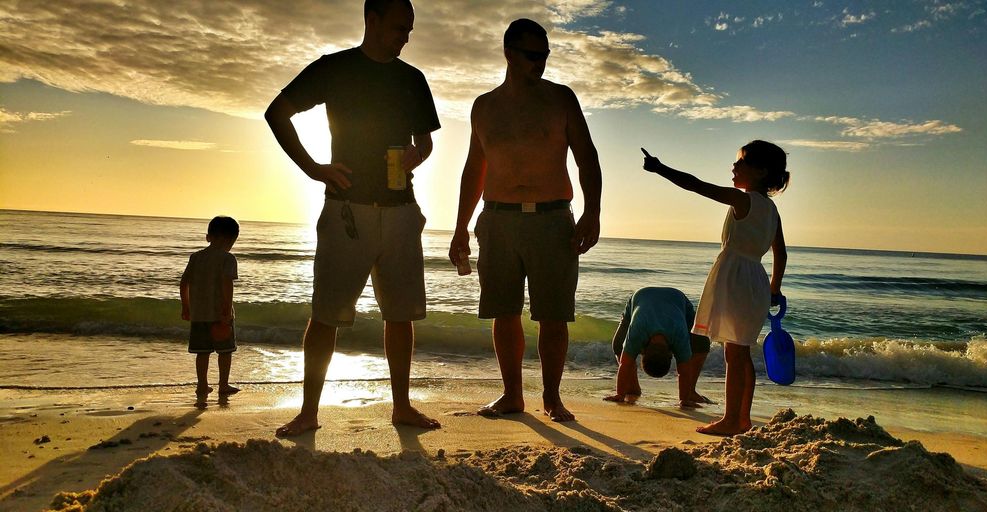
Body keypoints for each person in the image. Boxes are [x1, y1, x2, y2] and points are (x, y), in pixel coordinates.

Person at [264, 0, 441, 436]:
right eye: (400, 28)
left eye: (410, 30)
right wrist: (313, 168)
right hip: (347, 210)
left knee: (400, 315)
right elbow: (276, 113)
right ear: (372, 19)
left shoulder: (412, 79)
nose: (405, 37)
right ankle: (309, 413)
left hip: (401, 210)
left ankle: (402, 407)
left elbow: (426, 144)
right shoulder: (335, 68)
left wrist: (417, 156)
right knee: (326, 314)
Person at [448, 18, 602, 422]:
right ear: (509, 53)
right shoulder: (484, 106)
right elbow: (473, 170)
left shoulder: (561, 99)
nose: (541, 63)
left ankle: (552, 398)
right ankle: (512, 395)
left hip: (552, 218)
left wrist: (593, 211)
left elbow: (588, 156)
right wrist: (461, 226)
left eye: (546, 56)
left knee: (554, 313)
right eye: (533, 56)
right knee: (504, 310)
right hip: (497, 220)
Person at [641, 140, 789, 436]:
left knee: (733, 355)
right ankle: (742, 418)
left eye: (742, 162)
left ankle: (732, 419)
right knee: (741, 352)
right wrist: (774, 288)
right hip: (756, 281)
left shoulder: (742, 200)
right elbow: (781, 253)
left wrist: (660, 169)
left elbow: (696, 185)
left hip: (734, 279)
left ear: (760, 171)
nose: (734, 166)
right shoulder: (772, 210)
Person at [602, 287, 713, 408]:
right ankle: (632, 388)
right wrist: (683, 400)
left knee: (702, 344)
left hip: (677, 300)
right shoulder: (638, 331)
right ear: (672, 354)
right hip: (641, 297)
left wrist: (619, 395)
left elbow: (625, 363)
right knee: (619, 345)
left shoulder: (679, 335)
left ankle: (690, 392)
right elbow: (683, 371)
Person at [180, 216, 241, 404]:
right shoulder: (228, 259)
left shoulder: (196, 257)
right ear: (229, 240)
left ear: (208, 237)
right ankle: (223, 384)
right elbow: (226, 284)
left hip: (199, 314)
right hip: (219, 314)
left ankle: (202, 384)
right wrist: (226, 310)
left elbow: (184, 283)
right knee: (225, 351)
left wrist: (186, 306)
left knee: (202, 351)